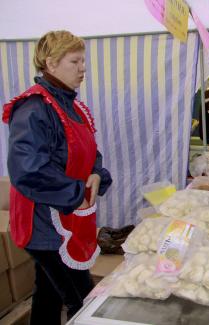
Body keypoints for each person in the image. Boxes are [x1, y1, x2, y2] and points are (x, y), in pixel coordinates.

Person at [2, 30, 112, 325]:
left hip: (67, 220)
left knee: (49, 294)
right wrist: (77, 192)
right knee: (82, 299)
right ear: (50, 64)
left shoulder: (73, 107)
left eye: (83, 61)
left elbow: (90, 151)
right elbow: (27, 170)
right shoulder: (34, 108)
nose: (83, 68)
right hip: (44, 223)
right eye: (75, 61)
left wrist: (96, 174)